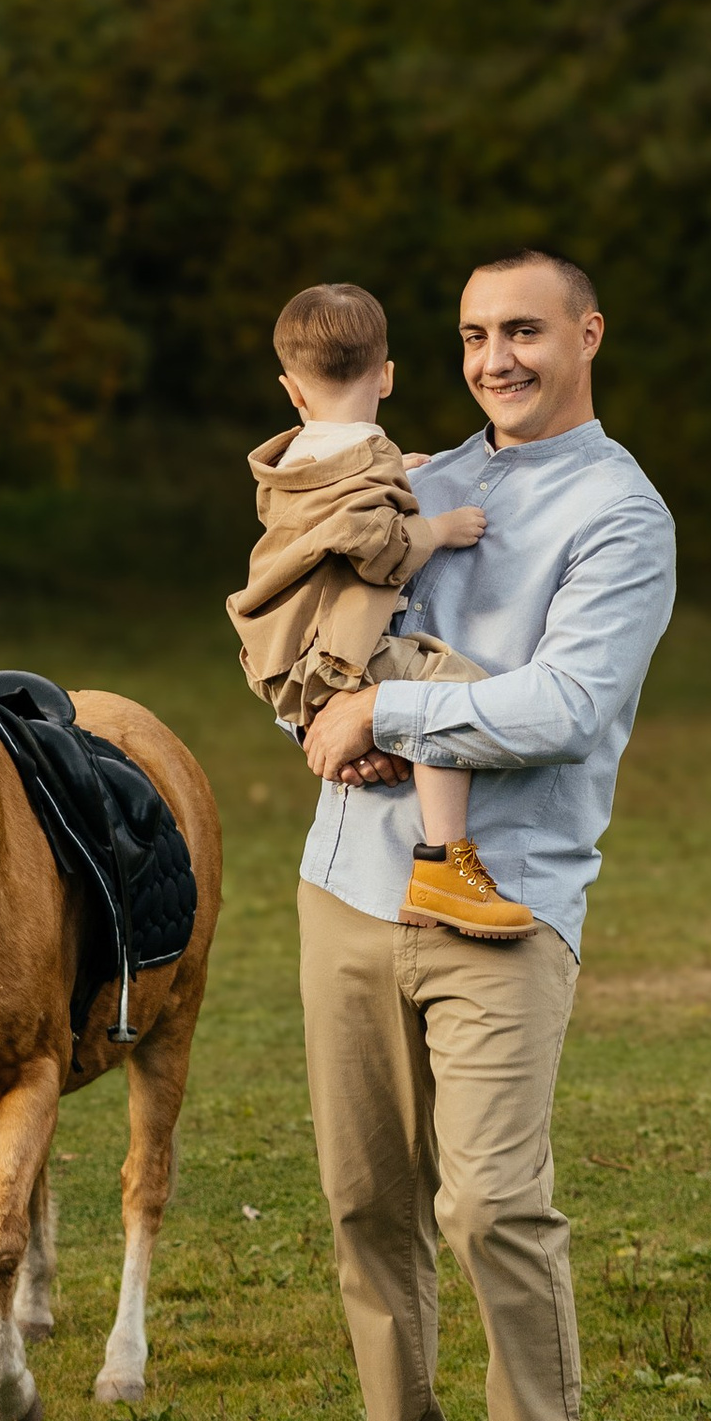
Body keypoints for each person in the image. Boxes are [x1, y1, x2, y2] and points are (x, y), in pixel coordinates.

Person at [291, 250, 674, 1421]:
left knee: (493, 1200)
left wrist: (388, 720)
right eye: (472, 333)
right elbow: (313, 632)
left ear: (587, 332)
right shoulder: (413, 477)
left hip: (503, 905)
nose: (497, 356)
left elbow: (564, 706)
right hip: (346, 888)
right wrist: (331, 713)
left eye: (523, 329)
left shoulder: (620, 517)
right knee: (364, 1201)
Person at [227, 281, 536, 940]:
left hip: (282, 653)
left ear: (293, 391)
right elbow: (373, 546)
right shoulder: (364, 457)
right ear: (386, 376)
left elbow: (342, 508)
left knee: (398, 716)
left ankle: (376, 775)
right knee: (449, 693)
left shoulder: (295, 461)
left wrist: (399, 473)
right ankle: (443, 867)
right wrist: (439, 528)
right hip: (334, 651)